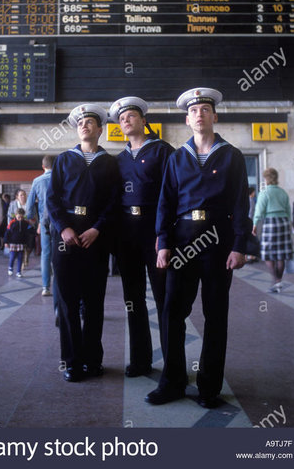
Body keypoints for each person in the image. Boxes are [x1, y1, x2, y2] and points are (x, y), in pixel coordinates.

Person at [145, 87, 249, 408]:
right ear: (187, 120)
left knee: (215, 314)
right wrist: (163, 243)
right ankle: (173, 381)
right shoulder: (177, 158)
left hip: (219, 243)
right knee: (172, 312)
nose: (199, 115)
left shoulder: (231, 156)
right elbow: (165, 202)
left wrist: (240, 245)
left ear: (214, 116)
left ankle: (208, 387)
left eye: (205, 109)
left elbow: (241, 204)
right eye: (194, 111)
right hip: (183, 243)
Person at [46, 103, 121, 382]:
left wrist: (98, 229)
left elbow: (114, 202)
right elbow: (52, 199)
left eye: (90, 122)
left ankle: (93, 360)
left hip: (94, 241)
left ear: (100, 129)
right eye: (80, 123)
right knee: (67, 302)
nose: (85, 126)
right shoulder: (64, 159)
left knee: (93, 303)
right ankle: (72, 362)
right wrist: (63, 227)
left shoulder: (110, 163)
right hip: (66, 240)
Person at [109, 96, 174, 377]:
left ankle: (173, 363)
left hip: (155, 232)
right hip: (127, 233)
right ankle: (140, 360)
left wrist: (166, 236)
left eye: (131, 116)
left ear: (144, 121)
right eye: (122, 118)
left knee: (164, 298)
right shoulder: (118, 160)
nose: (126, 120)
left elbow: (172, 195)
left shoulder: (163, 152)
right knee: (133, 298)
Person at [252, 168, 292, 293]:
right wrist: (289, 223)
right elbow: (288, 210)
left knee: (267, 253)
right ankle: (279, 281)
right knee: (281, 254)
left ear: (266, 178)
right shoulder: (283, 192)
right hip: (284, 222)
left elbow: (259, 211)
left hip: (270, 223)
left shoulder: (264, 193)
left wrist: (254, 224)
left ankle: (275, 280)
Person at [26, 155, 55, 297]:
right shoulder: (60, 179)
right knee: (60, 253)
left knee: (46, 254)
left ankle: (45, 287)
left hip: (44, 222)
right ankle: (60, 284)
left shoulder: (37, 181)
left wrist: (33, 220)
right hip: (60, 223)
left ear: (43, 167)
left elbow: (29, 207)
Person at [8, 188, 35, 271]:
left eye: (24, 194)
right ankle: (23, 261)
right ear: (17, 197)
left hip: (28, 228)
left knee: (30, 246)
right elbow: (9, 216)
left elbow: (34, 215)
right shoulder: (13, 205)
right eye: (21, 195)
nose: (23, 196)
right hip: (17, 230)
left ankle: (27, 256)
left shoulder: (30, 204)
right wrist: (10, 228)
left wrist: (33, 223)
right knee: (21, 248)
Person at [4, 208, 30, 278]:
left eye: (22, 217)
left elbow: (28, 233)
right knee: (12, 256)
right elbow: (7, 232)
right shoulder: (12, 223)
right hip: (13, 243)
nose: (20, 219)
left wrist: (28, 242)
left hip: (21, 243)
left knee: (20, 258)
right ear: (15, 215)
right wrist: (6, 241)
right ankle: (10, 267)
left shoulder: (26, 223)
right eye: (19, 217)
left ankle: (19, 271)